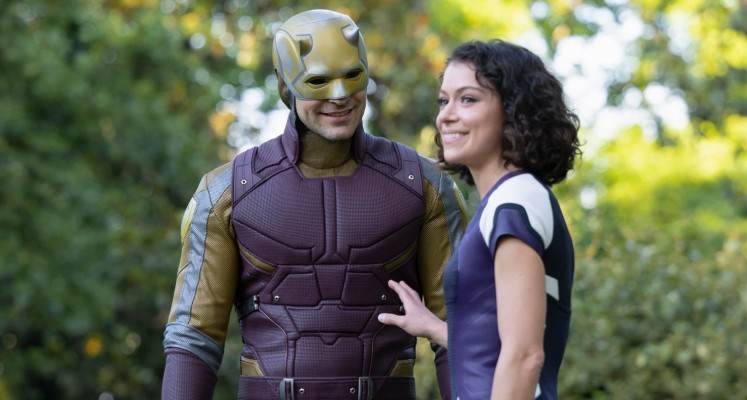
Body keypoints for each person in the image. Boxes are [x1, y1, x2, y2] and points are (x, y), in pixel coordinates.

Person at [161, 9, 466, 400]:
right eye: (318, 81)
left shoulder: (426, 187)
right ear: (286, 86)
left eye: (351, 76)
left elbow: (459, 330)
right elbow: (194, 337)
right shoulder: (226, 194)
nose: (338, 96)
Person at [378, 39, 581, 400]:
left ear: (515, 111)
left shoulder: (514, 203)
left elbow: (524, 356)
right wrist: (434, 327)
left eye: (468, 99)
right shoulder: (508, 201)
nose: (446, 115)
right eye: (444, 101)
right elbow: (497, 344)